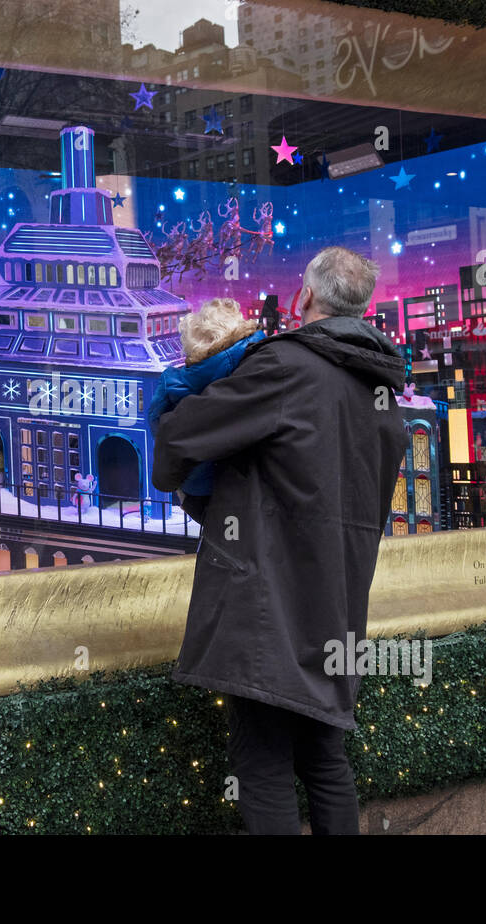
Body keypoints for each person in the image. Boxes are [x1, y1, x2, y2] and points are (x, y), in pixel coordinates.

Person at [152, 246, 410, 835]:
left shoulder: (287, 367)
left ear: (305, 298)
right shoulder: (382, 393)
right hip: (338, 602)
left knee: (262, 762)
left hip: (270, 601)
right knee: (324, 758)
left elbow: (183, 436)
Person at [147, 297, 265, 525]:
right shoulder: (259, 363)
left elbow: (157, 425)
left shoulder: (173, 383)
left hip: (198, 490)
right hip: (250, 492)